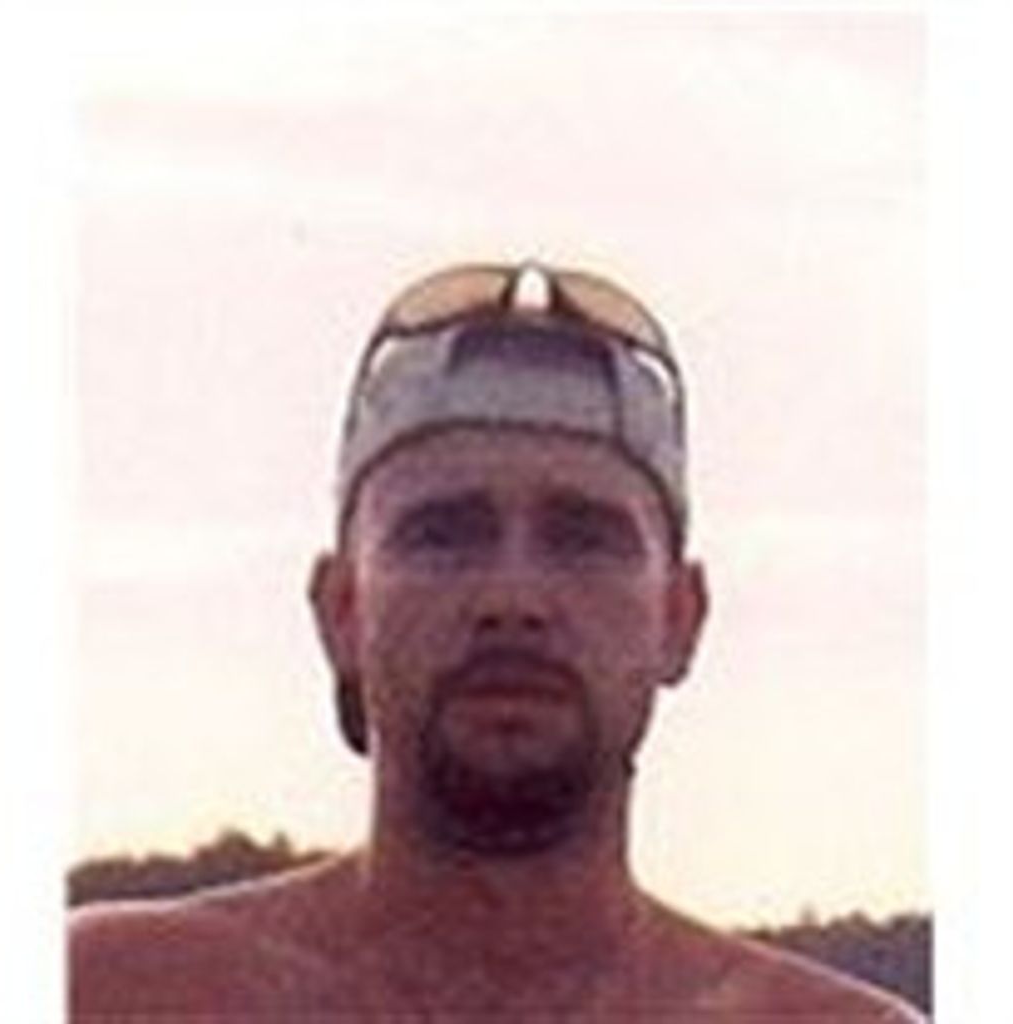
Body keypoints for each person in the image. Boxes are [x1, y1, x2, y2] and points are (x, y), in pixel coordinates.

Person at [69, 262, 925, 1022]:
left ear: (679, 618)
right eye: (443, 535)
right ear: (342, 611)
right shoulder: (112, 995)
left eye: (584, 540)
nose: (513, 598)